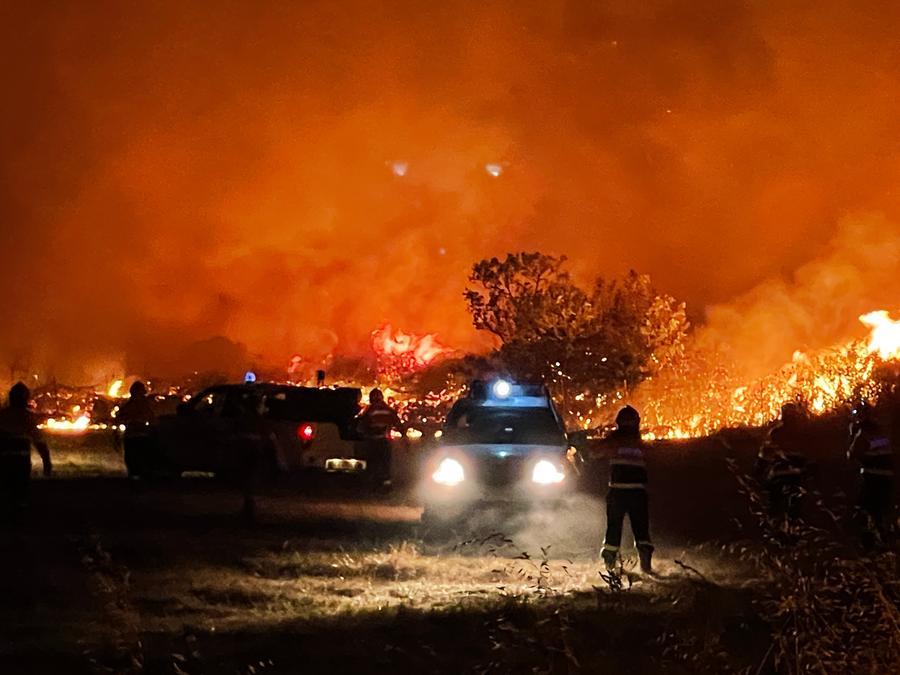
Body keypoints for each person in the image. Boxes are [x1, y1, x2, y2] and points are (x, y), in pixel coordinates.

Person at [600, 405, 653, 573]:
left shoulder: (613, 441)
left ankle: (610, 564)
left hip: (617, 492)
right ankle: (646, 565)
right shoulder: (641, 442)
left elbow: (596, 452)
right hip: (638, 493)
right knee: (641, 528)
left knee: (613, 529)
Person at [755, 402, 810, 529]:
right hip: (791, 476)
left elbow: (764, 455)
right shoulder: (799, 432)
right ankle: (790, 529)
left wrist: (758, 470)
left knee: (776, 506)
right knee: (790, 506)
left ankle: (779, 529)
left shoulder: (776, 433)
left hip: (780, 476)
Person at [848, 404, 894, 548]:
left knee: (864, 508)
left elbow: (851, 454)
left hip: (872, 476)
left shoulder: (862, 433)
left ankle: (871, 542)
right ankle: (887, 537)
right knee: (882, 509)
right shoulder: (882, 431)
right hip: (887, 477)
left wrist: (852, 436)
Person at [0, 382, 51, 511]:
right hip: (21, 460)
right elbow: (39, 441)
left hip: (4, 459)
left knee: (6, 490)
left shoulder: (3, 415)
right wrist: (46, 461)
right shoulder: (27, 417)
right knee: (20, 492)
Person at [356, 389, 402, 489]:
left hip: (372, 442)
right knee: (385, 463)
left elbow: (362, 426)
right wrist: (405, 437)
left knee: (372, 462)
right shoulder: (389, 410)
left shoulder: (369, 410)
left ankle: (372, 484)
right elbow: (397, 423)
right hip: (385, 442)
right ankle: (385, 483)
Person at [117, 381, 157, 478]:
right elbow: (151, 418)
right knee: (135, 456)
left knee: (136, 456)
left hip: (137, 434)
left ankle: (138, 473)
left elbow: (151, 418)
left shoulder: (135, 404)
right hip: (137, 434)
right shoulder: (140, 404)